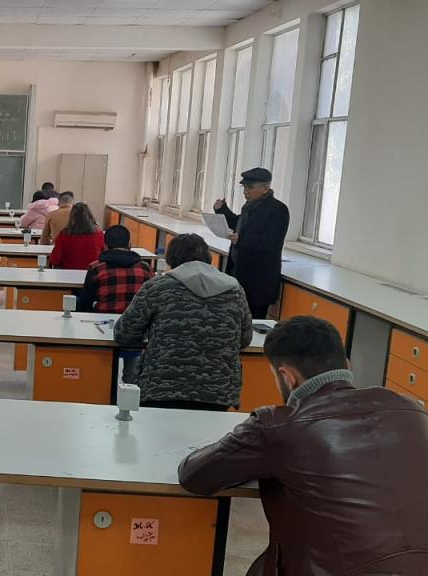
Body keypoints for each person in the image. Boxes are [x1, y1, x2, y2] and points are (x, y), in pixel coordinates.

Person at [179, 316, 428, 576]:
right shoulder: (410, 409)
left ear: (287, 377)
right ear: (346, 365)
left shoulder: (278, 424)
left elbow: (195, 476)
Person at [114, 234, 252, 411]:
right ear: (209, 258)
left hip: (161, 387)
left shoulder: (157, 287)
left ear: (170, 260)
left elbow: (123, 333)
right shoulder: (235, 290)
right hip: (219, 391)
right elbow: (244, 340)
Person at [214, 167, 289, 319]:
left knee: (253, 322)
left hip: (258, 281)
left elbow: (271, 242)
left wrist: (242, 239)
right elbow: (238, 224)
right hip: (238, 275)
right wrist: (222, 210)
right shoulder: (249, 207)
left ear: (265, 188)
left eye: (250, 187)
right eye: (244, 187)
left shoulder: (278, 210)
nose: (245, 192)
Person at [78, 225, 154, 313]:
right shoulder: (146, 268)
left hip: (103, 318)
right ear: (130, 245)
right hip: (136, 319)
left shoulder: (96, 268)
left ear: (105, 246)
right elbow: (153, 299)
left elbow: (85, 303)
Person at [49, 202, 104, 270]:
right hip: (92, 272)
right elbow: (103, 255)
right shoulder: (99, 233)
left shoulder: (64, 234)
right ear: (90, 216)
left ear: (72, 216)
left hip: (68, 271)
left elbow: (54, 260)